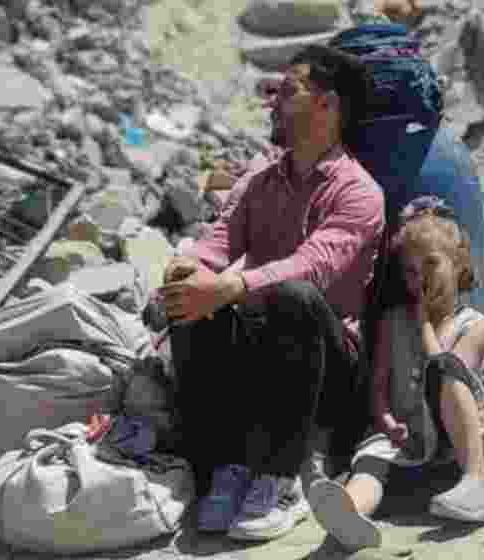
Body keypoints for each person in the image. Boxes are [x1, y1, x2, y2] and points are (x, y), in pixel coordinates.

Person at [158, 44, 384, 542]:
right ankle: (224, 467)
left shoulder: (359, 193)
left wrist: (229, 285)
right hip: (263, 349)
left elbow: (313, 266)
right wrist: (189, 268)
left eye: (288, 90)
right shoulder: (261, 179)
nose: (274, 101)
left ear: (328, 105)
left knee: (293, 296)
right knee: (191, 293)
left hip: (328, 371)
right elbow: (219, 242)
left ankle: (282, 478)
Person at [308, 196, 484, 551]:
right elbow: (379, 383)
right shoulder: (392, 321)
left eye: (431, 264)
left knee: (446, 369)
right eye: (411, 271)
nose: (420, 278)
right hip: (405, 430)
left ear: (458, 264)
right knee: (370, 462)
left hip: (453, 431)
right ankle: (348, 514)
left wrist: (424, 322)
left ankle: (477, 483)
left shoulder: (474, 326)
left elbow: (444, 369)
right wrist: (384, 420)